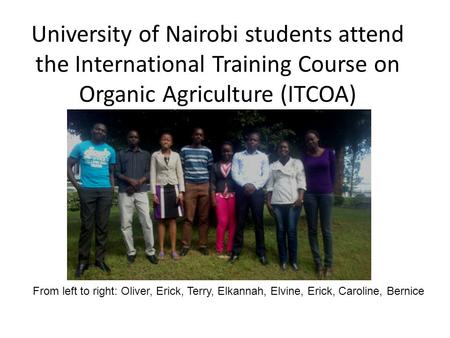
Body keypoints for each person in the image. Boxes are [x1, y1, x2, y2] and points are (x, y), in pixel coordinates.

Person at [67, 123, 116, 277]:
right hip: (87, 190)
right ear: (92, 130)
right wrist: (78, 187)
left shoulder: (110, 150)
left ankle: (100, 260)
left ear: (105, 133)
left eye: (103, 130)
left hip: (105, 190)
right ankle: (83, 261)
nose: (100, 131)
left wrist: (111, 188)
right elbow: (68, 166)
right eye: (97, 129)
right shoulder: (81, 147)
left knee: (102, 226)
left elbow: (112, 172)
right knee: (87, 227)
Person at [115, 130, 157, 265]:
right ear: (127, 139)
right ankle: (131, 251)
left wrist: (138, 182)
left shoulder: (146, 154)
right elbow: (117, 172)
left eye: (136, 137)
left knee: (146, 221)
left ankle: (150, 251)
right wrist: (130, 181)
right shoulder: (120, 153)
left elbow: (149, 172)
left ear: (139, 139)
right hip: (125, 192)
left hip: (141, 191)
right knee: (125, 223)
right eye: (130, 137)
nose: (133, 139)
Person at [229, 131, 270, 265]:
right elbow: (235, 173)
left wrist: (254, 186)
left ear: (258, 142)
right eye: (250, 139)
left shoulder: (263, 157)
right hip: (242, 191)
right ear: (247, 141)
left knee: (259, 223)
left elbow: (265, 175)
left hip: (257, 192)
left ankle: (261, 252)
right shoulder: (238, 155)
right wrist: (245, 184)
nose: (252, 142)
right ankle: (236, 251)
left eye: (255, 140)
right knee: (240, 222)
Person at [266, 141, 306, 271]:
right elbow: (270, 185)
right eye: (280, 147)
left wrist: (300, 198)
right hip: (277, 203)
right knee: (280, 232)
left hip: (293, 202)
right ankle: (283, 259)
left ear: (289, 149)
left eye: (285, 147)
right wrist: (268, 202)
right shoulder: (273, 166)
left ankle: (293, 260)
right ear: (278, 150)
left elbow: (301, 181)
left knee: (292, 231)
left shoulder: (297, 163)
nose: (283, 149)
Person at [302, 130, 336, 278]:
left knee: (326, 230)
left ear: (318, 139)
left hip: (326, 195)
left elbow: (333, 173)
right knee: (312, 230)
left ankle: (328, 264)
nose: (310, 142)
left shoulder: (329, 153)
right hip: (310, 195)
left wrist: (329, 188)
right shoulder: (304, 157)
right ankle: (318, 263)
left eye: (312, 139)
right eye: (308, 140)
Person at [151, 133, 185, 260]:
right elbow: (153, 174)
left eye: (168, 139)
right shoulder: (155, 155)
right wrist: (153, 193)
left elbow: (180, 173)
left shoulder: (176, 155)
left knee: (172, 220)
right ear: (160, 141)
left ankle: (173, 249)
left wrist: (181, 192)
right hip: (160, 188)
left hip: (174, 188)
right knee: (160, 220)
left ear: (171, 142)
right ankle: (160, 250)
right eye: (164, 139)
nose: (166, 141)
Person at [180, 128, 213, 256]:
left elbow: (210, 170)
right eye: (196, 134)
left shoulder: (207, 151)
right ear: (192, 135)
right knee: (188, 218)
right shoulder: (184, 150)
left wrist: (209, 187)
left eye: (201, 135)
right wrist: (182, 188)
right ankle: (185, 245)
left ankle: (202, 244)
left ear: (203, 137)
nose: (198, 136)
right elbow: (181, 169)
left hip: (205, 185)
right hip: (190, 185)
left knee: (204, 218)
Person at [210, 142, 237, 258]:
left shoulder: (236, 165)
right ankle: (219, 248)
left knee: (233, 223)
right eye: (224, 151)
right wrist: (212, 198)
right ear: (221, 153)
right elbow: (212, 183)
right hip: (219, 196)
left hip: (234, 196)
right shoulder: (215, 166)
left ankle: (230, 248)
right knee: (222, 222)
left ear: (232, 152)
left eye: (229, 151)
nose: (226, 153)